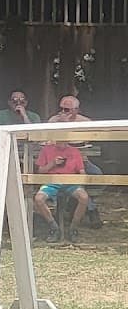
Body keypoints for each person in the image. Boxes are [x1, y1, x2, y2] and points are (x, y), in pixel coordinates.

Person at [47, 94, 103, 228]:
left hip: (81, 161)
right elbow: (50, 143)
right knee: (76, 180)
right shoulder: (53, 121)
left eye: (66, 110)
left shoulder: (85, 122)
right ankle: (91, 210)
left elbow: (91, 141)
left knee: (98, 176)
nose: (62, 112)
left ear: (76, 110)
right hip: (60, 163)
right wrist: (62, 125)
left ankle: (75, 204)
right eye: (61, 108)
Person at [33, 139, 89, 243]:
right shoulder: (46, 150)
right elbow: (40, 171)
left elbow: (82, 171)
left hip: (71, 182)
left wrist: (83, 181)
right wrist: (53, 163)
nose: (61, 142)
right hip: (51, 182)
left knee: (84, 197)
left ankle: (73, 228)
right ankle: (54, 227)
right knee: (38, 199)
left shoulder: (74, 151)